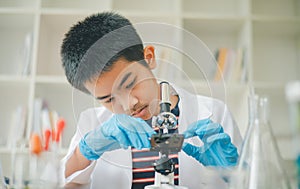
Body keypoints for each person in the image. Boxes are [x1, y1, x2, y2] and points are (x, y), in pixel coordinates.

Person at [60, 12, 242, 189]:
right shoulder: (93, 124)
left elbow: (251, 182)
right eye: (108, 99)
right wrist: (84, 151)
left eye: (130, 83)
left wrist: (233, 173)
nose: (128, 104)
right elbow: (63, 181)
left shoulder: (215, 113)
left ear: (148, 58)